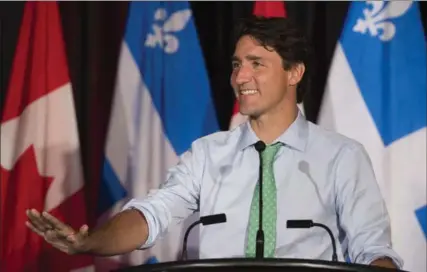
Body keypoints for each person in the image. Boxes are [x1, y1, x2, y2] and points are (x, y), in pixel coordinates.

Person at [26, 16, 403, 269]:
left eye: (256, 63)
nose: (241, 76)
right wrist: (88, 243)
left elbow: (374, 251)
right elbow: (151, 216)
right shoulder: (207, 154)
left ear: (294, 72)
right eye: (237, 65)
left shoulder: (341, 157)